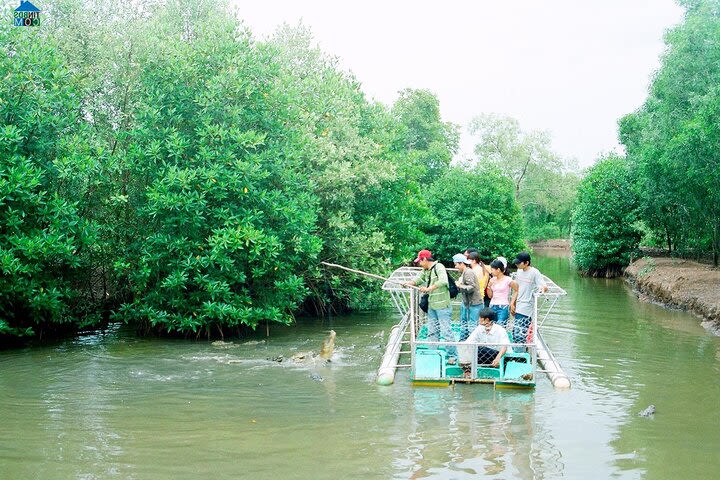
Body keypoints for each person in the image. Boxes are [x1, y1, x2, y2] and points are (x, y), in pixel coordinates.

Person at [404, 249, 456, 359]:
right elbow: (418, 279)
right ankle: (433, 354)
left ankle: (452, 356)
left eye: (420, 261)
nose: (419, 263)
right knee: (432, 331)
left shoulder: (439, 267)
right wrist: (409, 283)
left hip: (442, 306)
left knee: (446, 332)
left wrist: (428, 289)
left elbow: (443, 281)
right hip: (432, 306)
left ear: (424, 259)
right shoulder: (426, 270)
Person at [510, 252, 548, 351]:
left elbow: (543, 286)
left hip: (526, 306)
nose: (517, 265)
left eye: (519, 263)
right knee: (515, 331)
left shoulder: (534, 272)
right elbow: (517, 288)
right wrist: (512, 303)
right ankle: (517, 352)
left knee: (520, 332)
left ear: (526, 263)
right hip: (518, 304)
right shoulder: (519, 271)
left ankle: (520, 355)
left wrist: (542, 290)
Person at [452, 253, 482, 341]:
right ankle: (463, 340)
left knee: (473, 325)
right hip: (467, 303)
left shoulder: (468, 272)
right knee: (464, 322)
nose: (455, 267)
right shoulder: (465, 272)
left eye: (456, 265)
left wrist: (459, 285)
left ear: (462, 263)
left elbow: (471, 287)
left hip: (474, 304)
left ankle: (472, 343)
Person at [486, 259, 518, 329]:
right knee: (491, 327)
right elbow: (490, 296)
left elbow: (516, 290)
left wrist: (512, 303)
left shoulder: (508, 279)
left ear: (498, 270)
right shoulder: (492, 280)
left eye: (492, 269)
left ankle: (501, 340)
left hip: (503, 307)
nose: (491, 272)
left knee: (500, 327)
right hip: (492, 305)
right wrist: (489, 286)